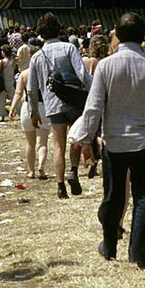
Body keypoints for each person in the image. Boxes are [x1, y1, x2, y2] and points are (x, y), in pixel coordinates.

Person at [73, 12, 145, 269]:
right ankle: (141, 254)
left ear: (116, 34)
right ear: (144, 37)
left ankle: (109, 245)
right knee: (144, 196)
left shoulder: (106, 66)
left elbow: (93, 108)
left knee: (114, 195)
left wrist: (85, 139)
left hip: (114, 141)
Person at [28, 13, 92, 199]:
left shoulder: (37, 57)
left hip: (52, 105)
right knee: (75, 140)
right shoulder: (69, 48)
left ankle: (60, 186)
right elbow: (83, 75)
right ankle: (73, 170)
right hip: (74, 101)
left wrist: (34, 111)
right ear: (58, 29)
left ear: (41, 33)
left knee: (58, 145)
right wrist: (93, 94)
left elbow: (32, 89)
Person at [10, 54, 49, 180]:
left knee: (30, 143)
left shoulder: (24, 74)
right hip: (43, 108)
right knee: (42, 142)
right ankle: (41, 167)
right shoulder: (47, 73)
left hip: (27, 108)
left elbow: (18, 93)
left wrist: (12, 108)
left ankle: (31, 171)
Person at [0, 45, 15, 121]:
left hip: (2, 82)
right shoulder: (13, 60)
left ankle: (2, 115)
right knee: (13, 98)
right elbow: (18, 56)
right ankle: (17, 112)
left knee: (1, 99)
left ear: (4, 52)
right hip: (10, 80)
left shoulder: (2, 61)